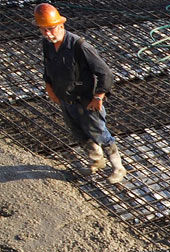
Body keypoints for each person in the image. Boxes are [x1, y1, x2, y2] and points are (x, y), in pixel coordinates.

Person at [35, 3, 127, 184]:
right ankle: (96, 161)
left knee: (100, 133)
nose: (48, 34)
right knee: (79, 133)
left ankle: (118, 168)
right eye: (43, 30)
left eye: (51, 29)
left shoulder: (79, 46)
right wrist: (49, 87)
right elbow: (48, 67)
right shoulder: (47, 44)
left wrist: (99, 96)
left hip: (86, 100)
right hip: (66, 99)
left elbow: (105, 73)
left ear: (61, 25)